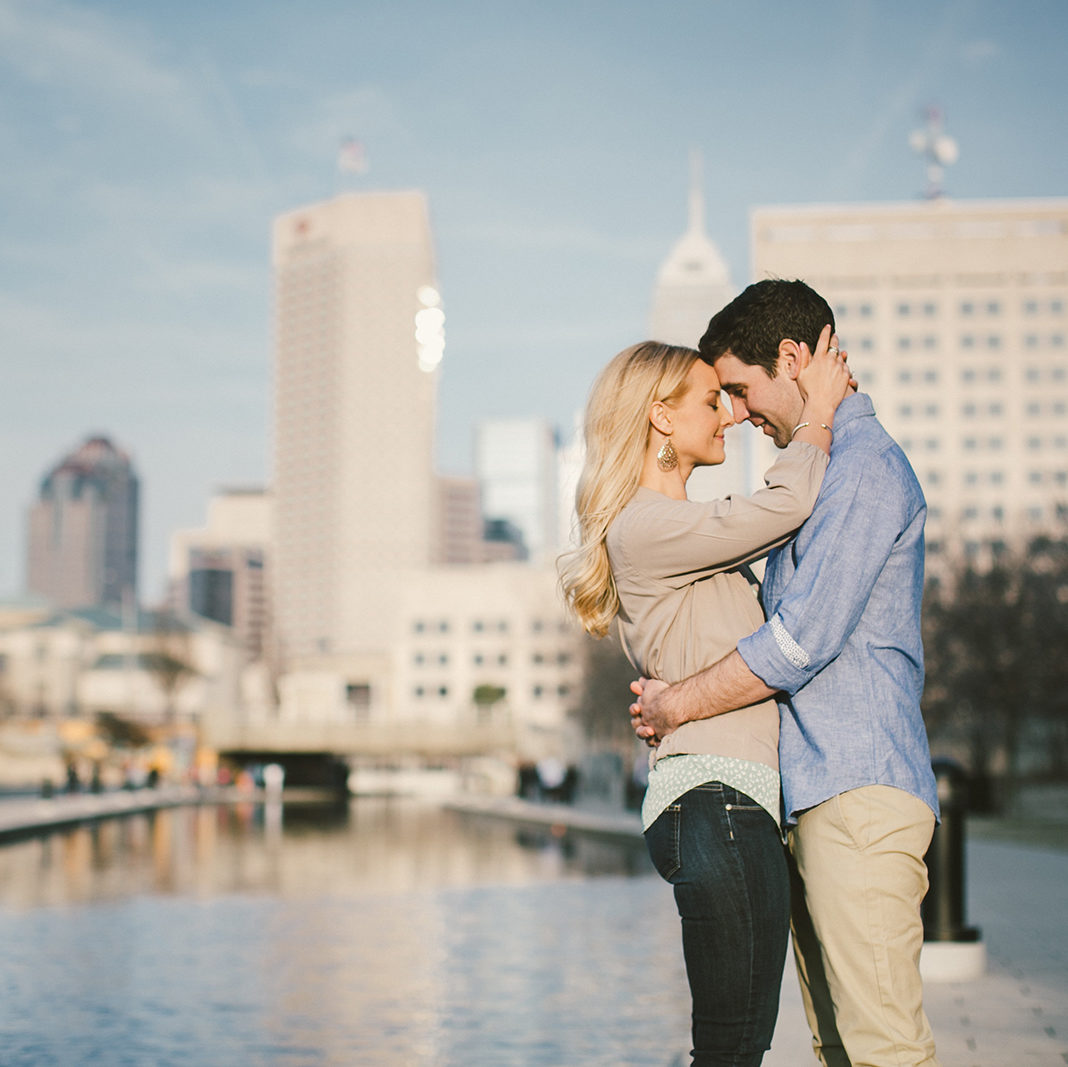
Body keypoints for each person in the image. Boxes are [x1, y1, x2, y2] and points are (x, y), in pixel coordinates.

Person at [632, 279, 941, 1067]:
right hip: (814, 799)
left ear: (794, 359)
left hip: (858, 793)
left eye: (739, 387)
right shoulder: (831, 465)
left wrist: (676, 703)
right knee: (840, 1045)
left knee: (884, 1049)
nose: (738, 412)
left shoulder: (864, 468)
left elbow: (799, 640)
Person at [558, 328, 851, 1066]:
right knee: (731, 1051)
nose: (727, 414)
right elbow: (786, 505)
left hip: (723, 801)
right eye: (710, 400)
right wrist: (817, 411)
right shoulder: (646, 525)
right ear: (661, 417)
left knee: (729, 1048)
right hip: (719, 800)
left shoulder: (673, 527)